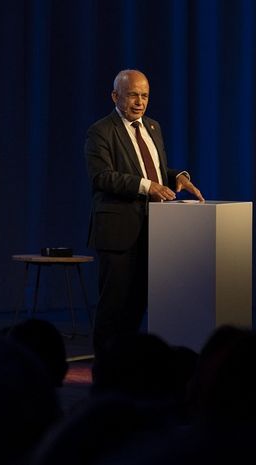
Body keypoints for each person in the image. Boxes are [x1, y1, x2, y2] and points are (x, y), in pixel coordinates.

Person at [85, 69, 204, 354]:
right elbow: (102, 177)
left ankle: (128, 362)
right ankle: (105, 366)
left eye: (145, 96)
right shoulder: (101, 131)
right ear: (115, 96)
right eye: (133, 95)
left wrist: (178, 177)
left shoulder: (153, 127)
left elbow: (156, 170)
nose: (140, 102)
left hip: (154, 231)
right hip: (119, 232)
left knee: (138, 303)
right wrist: (148, 186)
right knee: (114, 305)